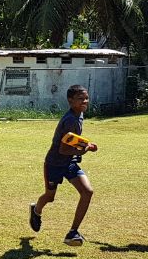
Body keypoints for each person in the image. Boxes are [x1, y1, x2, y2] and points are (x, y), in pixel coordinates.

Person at [29, 85, 97, 246]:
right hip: (55, 163)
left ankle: (73, 233)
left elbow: (72, 141)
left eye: (86, 98)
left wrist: (84, 144)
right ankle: (36, 210)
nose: (85, 101)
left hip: (70, 163)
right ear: (70, 100)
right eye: (81, 99)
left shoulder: (79, 114)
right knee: (50, 197)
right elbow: (63, 149)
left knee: (87, 192)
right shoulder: (70, 120)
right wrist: (84, 150)